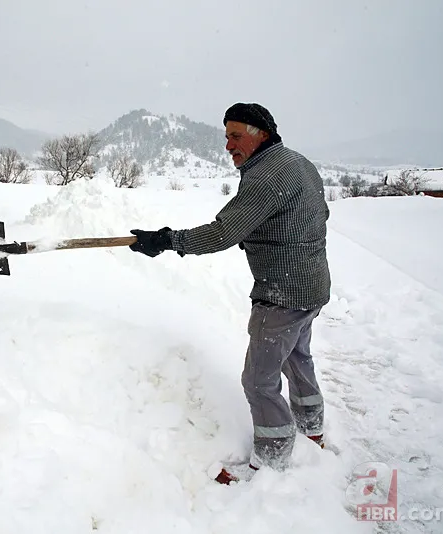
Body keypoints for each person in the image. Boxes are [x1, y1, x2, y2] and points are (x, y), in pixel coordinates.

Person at [129, 102, 330, 484]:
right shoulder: (298, 163)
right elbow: (317, 215)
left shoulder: (266, 177)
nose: (228, 146)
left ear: (262, 134)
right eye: (226, 137)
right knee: (298, 358)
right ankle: (312, 429)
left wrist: (168, 240)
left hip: (282, 293)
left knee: (259, 381)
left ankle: (272, 462)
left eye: (236, 136)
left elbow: (223, 232)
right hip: (312, 285)